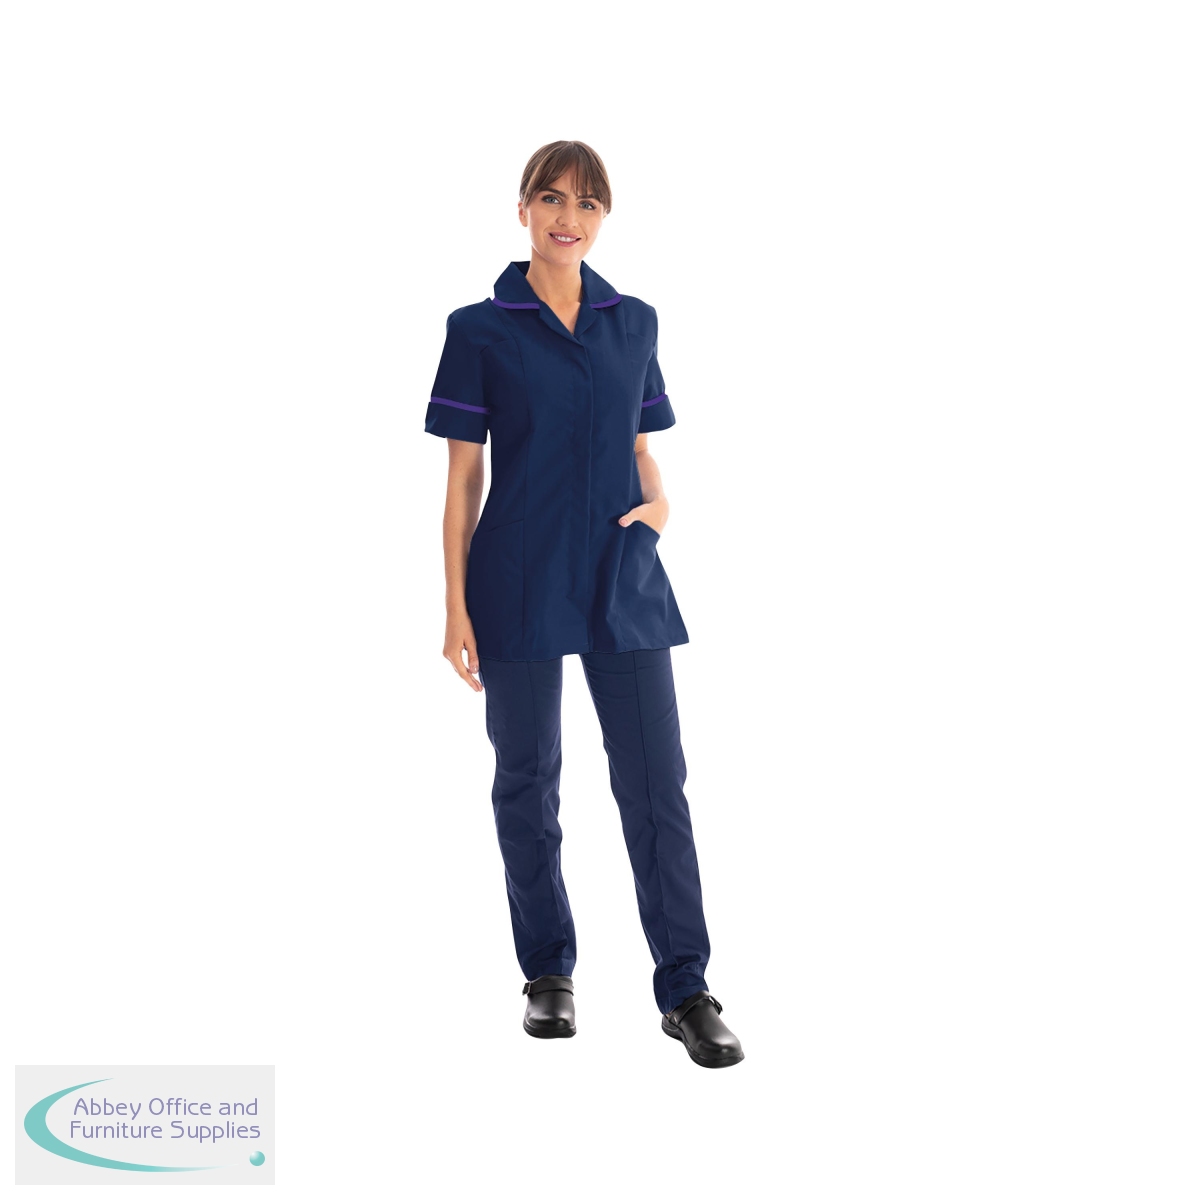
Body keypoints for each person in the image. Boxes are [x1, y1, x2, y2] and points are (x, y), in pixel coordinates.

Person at [423, 140, 743, 1069]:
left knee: (655, 783)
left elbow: (643, 448)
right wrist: (454, 606)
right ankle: (548, 972)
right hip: (517, 575)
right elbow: (464, 479)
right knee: (528, 781)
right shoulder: (478, 330)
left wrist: (662, 502)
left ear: (604, 218)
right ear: (522, 207)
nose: (570, 218)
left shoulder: (633, 322)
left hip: (620, 574)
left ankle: (686, 989)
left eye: (588, 203)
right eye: (553, 198)